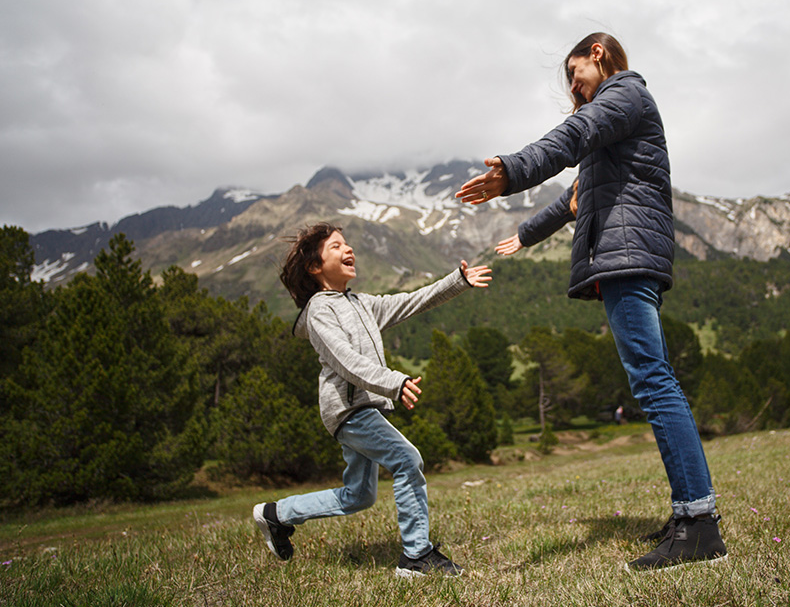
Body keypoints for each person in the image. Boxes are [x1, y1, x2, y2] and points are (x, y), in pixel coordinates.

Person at [457, 32, 728, 571]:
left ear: (597, 54)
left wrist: (512, 170)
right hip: (626, 255)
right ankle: (689, 515)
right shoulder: (615, 120)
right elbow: (574, 197)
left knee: (654, 381)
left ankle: (698, 523)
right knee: (652, 380)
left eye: (574, 72)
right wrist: (527, 234)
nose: (573, 88)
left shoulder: (624, 96)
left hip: (628, 256)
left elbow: (570, 136)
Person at [252, 222, 492, 578]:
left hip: (363, 408)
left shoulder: (362, 304)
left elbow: (411, 302)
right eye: (336, 247)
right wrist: (394, 382)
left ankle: (276, 515)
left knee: (358, 496)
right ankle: (416, 557)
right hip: (349, 411)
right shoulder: (320, 311)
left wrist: (456, 281)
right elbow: (346, 360)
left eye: (347, 244)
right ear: (314, 267)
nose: (348, 250)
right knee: (407, 459)